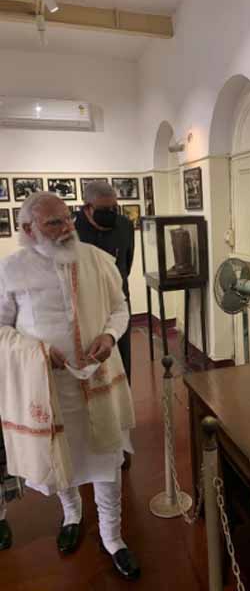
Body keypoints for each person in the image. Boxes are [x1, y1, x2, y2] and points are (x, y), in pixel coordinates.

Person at [0, 193, 140, 580]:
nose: (67, 230)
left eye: (67, 219)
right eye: (54, 223)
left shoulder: (96, 260)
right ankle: (72, 516)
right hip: (49, 388)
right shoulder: (11, 271)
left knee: (107, 460)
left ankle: (113, 538)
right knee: (65, 457)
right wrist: (38, 351)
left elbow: (120, 307)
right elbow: (1, 330)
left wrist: (111, 337)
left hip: (98, 381)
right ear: (28, 229)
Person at [74, 182, 134, 470]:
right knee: (86, 374)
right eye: (105, 209)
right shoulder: (72, 230)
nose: (112, 213)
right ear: (87, 208)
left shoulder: (124, 226)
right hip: (85, 314)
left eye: (114, 207)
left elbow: (126, 264)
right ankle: (88, 437)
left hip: (117, 308)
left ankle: (121, 438)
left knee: (121, 371)